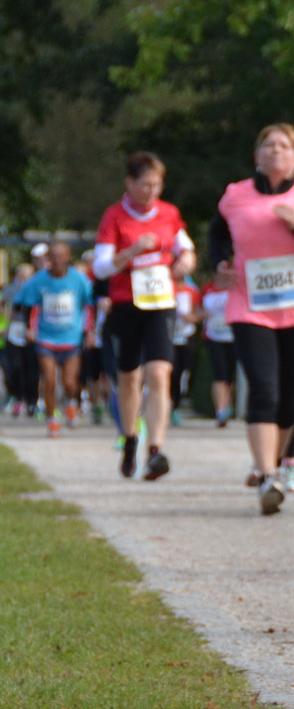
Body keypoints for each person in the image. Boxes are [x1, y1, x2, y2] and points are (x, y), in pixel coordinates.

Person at [211, 124, 294, 514]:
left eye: (284, 147)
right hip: (249, 306)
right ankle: (267, 476)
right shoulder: (236, 196)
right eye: (267, 145)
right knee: (263, 389)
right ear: (257, 156)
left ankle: (279, 462)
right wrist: (217, 264)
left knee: (287, 392)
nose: (275, 152)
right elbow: (216, 237)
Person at [93, 151, 196, 480]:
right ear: (130, 183)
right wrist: (132, 251)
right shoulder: (114, 216)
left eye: (157, 184)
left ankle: (156, 450)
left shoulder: (169, 213)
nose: (152, 191)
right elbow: (100, 267)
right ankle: (129, 438)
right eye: (145, 184)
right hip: (127, 304)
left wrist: (186, 262)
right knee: (129, 378)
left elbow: (186, 248)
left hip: (161, 303)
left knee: (159, 374)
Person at [19, 242, 96, 436]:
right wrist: (29, 328)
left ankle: (71, 403)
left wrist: (90, 332)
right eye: (53, 256)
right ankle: (52, 418)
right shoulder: (39, 280)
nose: (57, 260)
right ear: (48, 259)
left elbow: (89, 305)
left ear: (68, 257)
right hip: (46, 337)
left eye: (61, 256)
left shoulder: (79, 279)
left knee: (70, 381)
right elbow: (27, 305)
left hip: (71, 338)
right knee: (49, 380)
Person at [199, 268, 237, 426]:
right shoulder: (207, 288)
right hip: (213, 336)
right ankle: (220, 411)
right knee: (219, 374)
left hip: (233, 336)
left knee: (229, 375)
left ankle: (227, 406)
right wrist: (202, 314)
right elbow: (197, 308)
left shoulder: (236, 287)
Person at [4, 260, 39, 416]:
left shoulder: (38, 290)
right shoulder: (10, 291)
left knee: (32, 369)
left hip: (33, 334)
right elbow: (8, 307)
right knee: (15, 368)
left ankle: (32, 401)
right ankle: (19, 399)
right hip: (15, 333)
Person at [170, 271, 201, 425]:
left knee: (183, 372)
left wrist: (192, 318)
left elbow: (200, 311)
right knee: (170, 372)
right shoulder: (167, 288)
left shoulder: (192, 290)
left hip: (187, 336)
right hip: (168, 337)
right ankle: (170, 405)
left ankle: (175, 405)